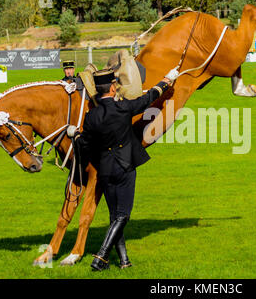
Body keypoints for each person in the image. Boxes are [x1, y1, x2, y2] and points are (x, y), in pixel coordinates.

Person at [67, 67, 179, 271]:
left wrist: (74, 134)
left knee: (114, 215)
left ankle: (124, 261)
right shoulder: (123, 108)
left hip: (105, 169)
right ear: (112, 87)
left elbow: (84, 144)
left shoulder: (92, 116)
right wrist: (166, 80)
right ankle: (101, 256)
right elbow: (149, 98)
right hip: (125, 166)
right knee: (123, 215)